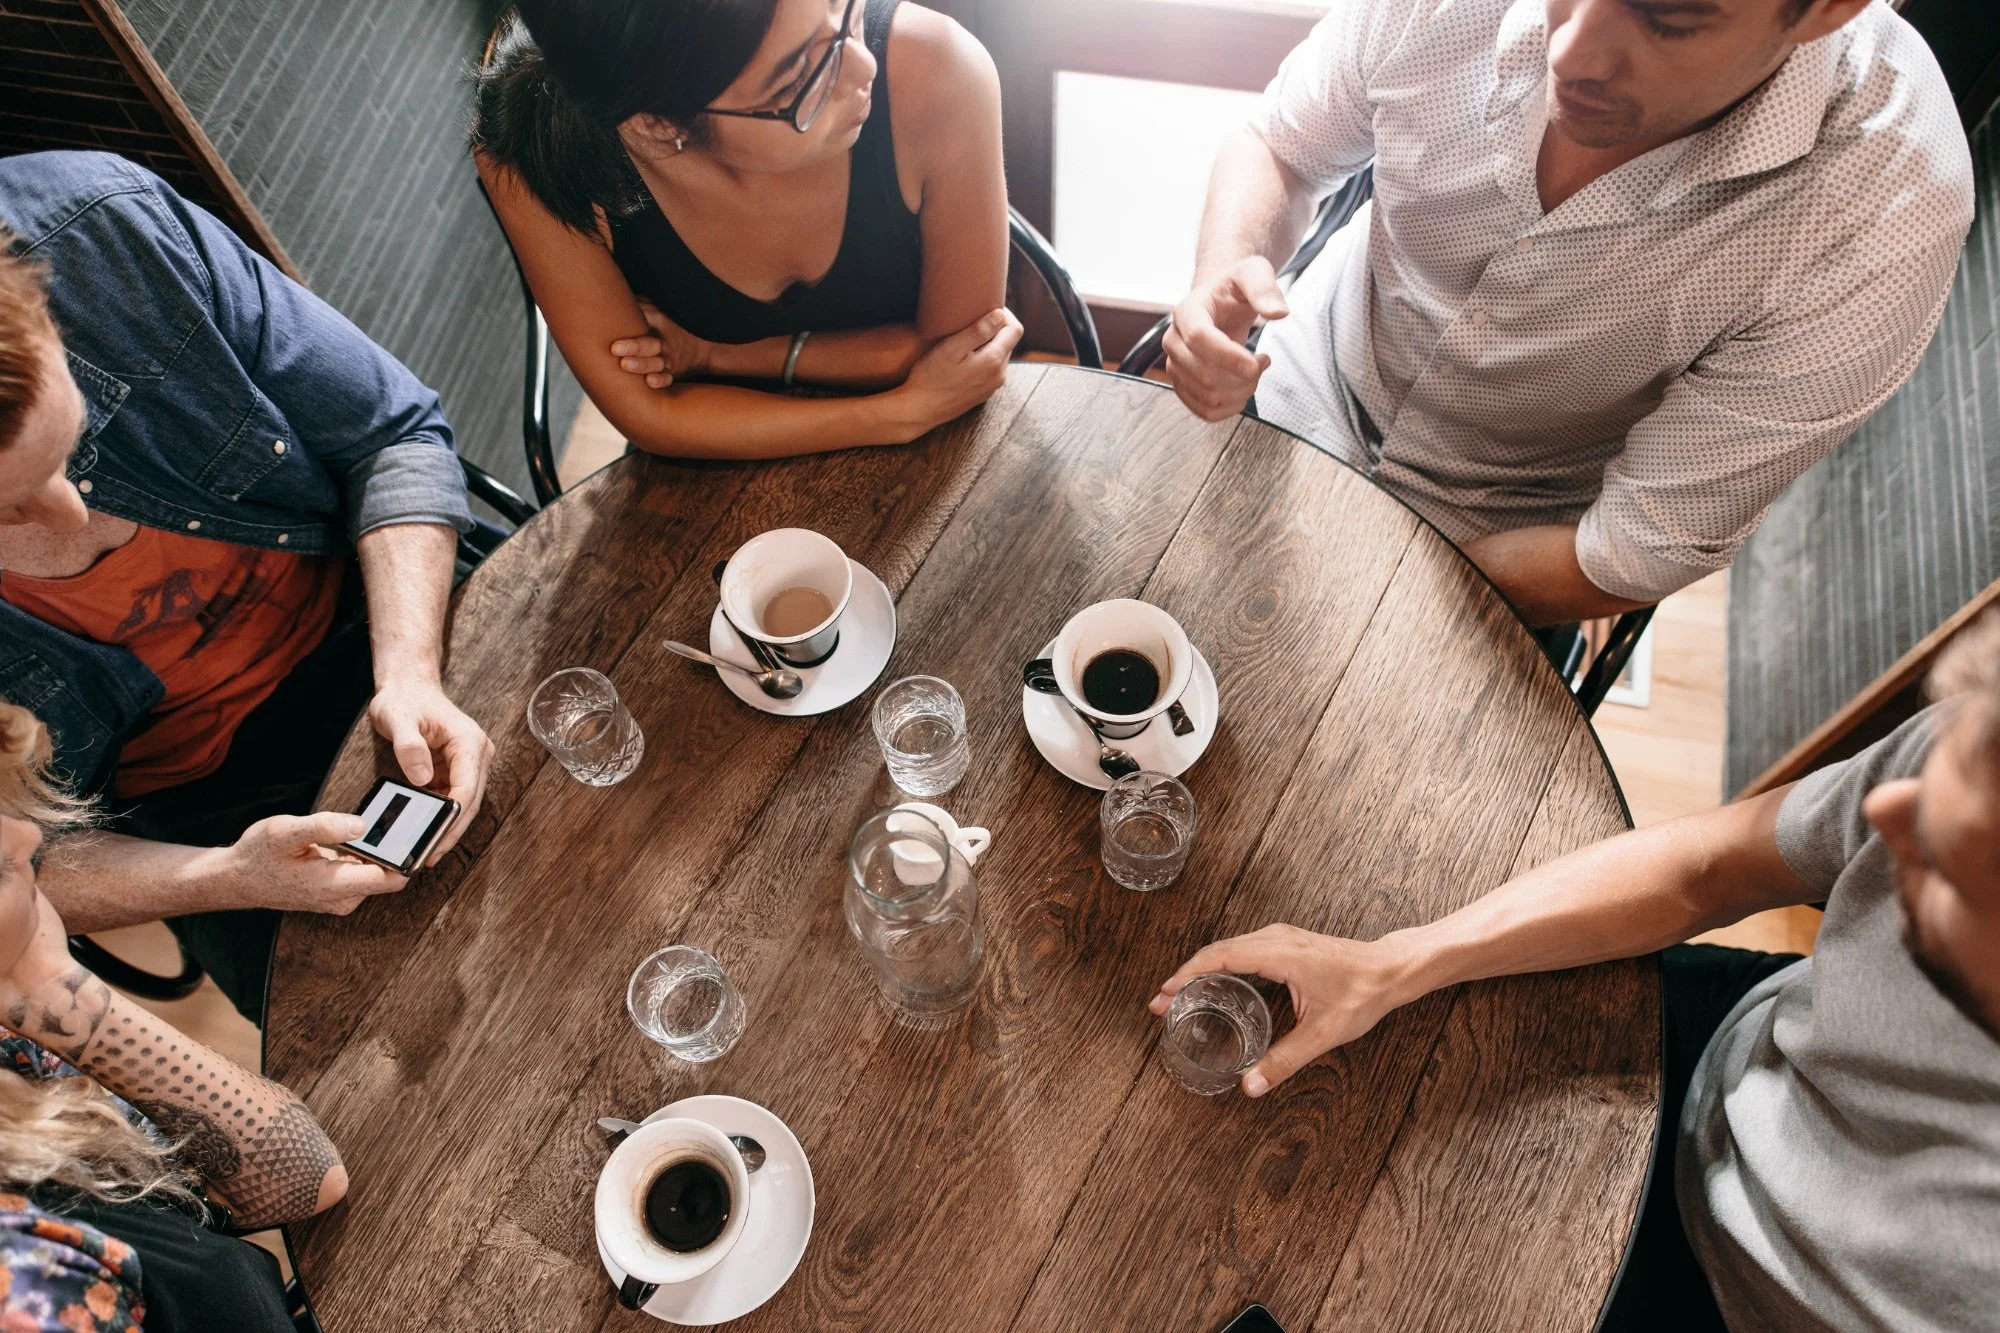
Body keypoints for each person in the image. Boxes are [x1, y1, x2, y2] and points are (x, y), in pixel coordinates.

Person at [1154, 606, 2000, 1329]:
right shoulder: (1973, 749)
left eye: (1960, 852)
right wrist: (1399, 959)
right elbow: (1709, 869)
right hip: (1732, 1056)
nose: (1891, 810)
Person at [1165, 0, 1975, 627]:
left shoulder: (1888, 205)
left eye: (1665, 20)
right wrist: (1220, 273)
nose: (1569, 53)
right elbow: (1282, 143)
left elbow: (1628, 548)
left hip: (1496, 545)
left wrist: (1379, 587)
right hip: (1293, 384)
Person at [0, 150, 496, 1022]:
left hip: (384, 603)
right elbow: (19, 866)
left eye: (69, 444)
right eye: (6, 511)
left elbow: (393, 434)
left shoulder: (99, 232)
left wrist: (410, 671)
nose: (70, 516)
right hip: (206, 805)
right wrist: (228, 873)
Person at [472, 0, 1024, 461]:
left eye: (840, 6)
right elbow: (651, 415)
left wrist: (719, 358)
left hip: (941, 443)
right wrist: (896, 414)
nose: (862, 69)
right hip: (713, 470)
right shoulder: (533, 154)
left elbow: (964, 356)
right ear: (658, 126)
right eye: (800, 79)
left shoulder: (938, 69)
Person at [0, 700, 345, 1331]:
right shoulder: (30, 1287)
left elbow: (305, 1178)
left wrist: (41, 980)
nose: (28, 837)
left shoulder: (13, 1031)